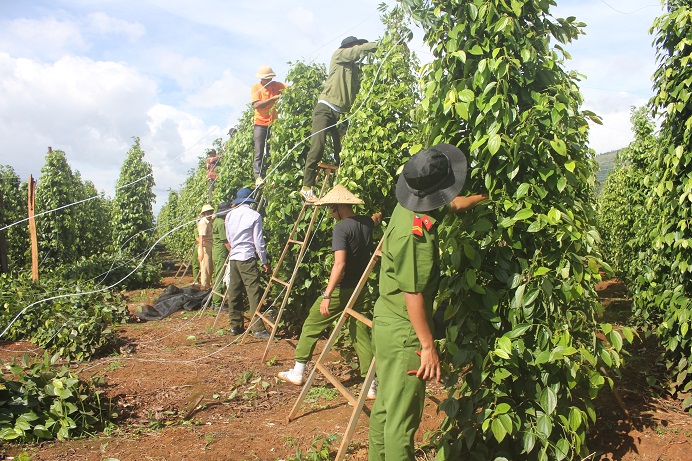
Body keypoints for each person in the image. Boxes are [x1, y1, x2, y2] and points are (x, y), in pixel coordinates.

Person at [368, 144, 488, 461]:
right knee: (401, 420)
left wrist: (481, 199)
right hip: (406, 331)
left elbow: (452, 205)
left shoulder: (409, 208)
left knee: (386, 406)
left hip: (387, 323)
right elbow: (413, 294)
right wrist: (427, 345)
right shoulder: (414, 233)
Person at [278, 185, 381, 398]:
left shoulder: (341, 229)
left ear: (339, 207)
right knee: (359, 332)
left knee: (312, 324)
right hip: (360, 289)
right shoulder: (365, 223)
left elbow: (339, 264)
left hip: (341, 289)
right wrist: (379, 214)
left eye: (331, 209)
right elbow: (375, 218)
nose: (331, 214)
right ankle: (371, 384)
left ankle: (297, 372)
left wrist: (327, 295)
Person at [300, 37, 377, 202]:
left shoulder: (355, 70)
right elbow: (357, 52)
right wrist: (380, 45)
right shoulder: (339, 55)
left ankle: (341, 185)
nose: (359, 49)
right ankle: (307, 187)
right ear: (349, 47)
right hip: (326, 107)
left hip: (342, 114)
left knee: (342, 152)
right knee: (318, 146)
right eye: (357, 46)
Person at [224, 188, 271, 338]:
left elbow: (229, 238)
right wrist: (264, 261)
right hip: (247, 257)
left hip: (234, 257)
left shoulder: (230, 215)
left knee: (235, 291)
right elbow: (258, 241)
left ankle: (235, 325)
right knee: (253, 292)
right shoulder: (254, 216)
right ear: (250, 201)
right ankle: (257, 328)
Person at [251, 65, 286, 187]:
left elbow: (290, 88)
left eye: (270, 78)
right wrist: (273, 99)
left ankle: (271, 173)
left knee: (272, 149)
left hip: (273, 123)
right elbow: (257, 105)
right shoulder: (256, 87)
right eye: (267, 78)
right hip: (260, 123)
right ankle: (258, 176)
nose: (269, 80)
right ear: (262, 79)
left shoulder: (276, 85)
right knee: (259, 150)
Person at [210, 201, 232, 309]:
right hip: (221, 252)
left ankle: (215, 301)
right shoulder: (220, 223)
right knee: (219, 275)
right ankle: (217, 302)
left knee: (217, 274)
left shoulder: (216, 221)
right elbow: (225, 240)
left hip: (216, 251)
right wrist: (232, 251)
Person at [197, 204, 215, 290]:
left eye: (210, 212)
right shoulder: (203, 223)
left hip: (209, 247)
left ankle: (207, 286)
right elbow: (201, 238)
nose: (209, 214)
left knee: (209, 268)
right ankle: (204, 288)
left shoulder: (209, 221)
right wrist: (201, 252)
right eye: (207, 212)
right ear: (204, 214)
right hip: (205, 248)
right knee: (205, 269)